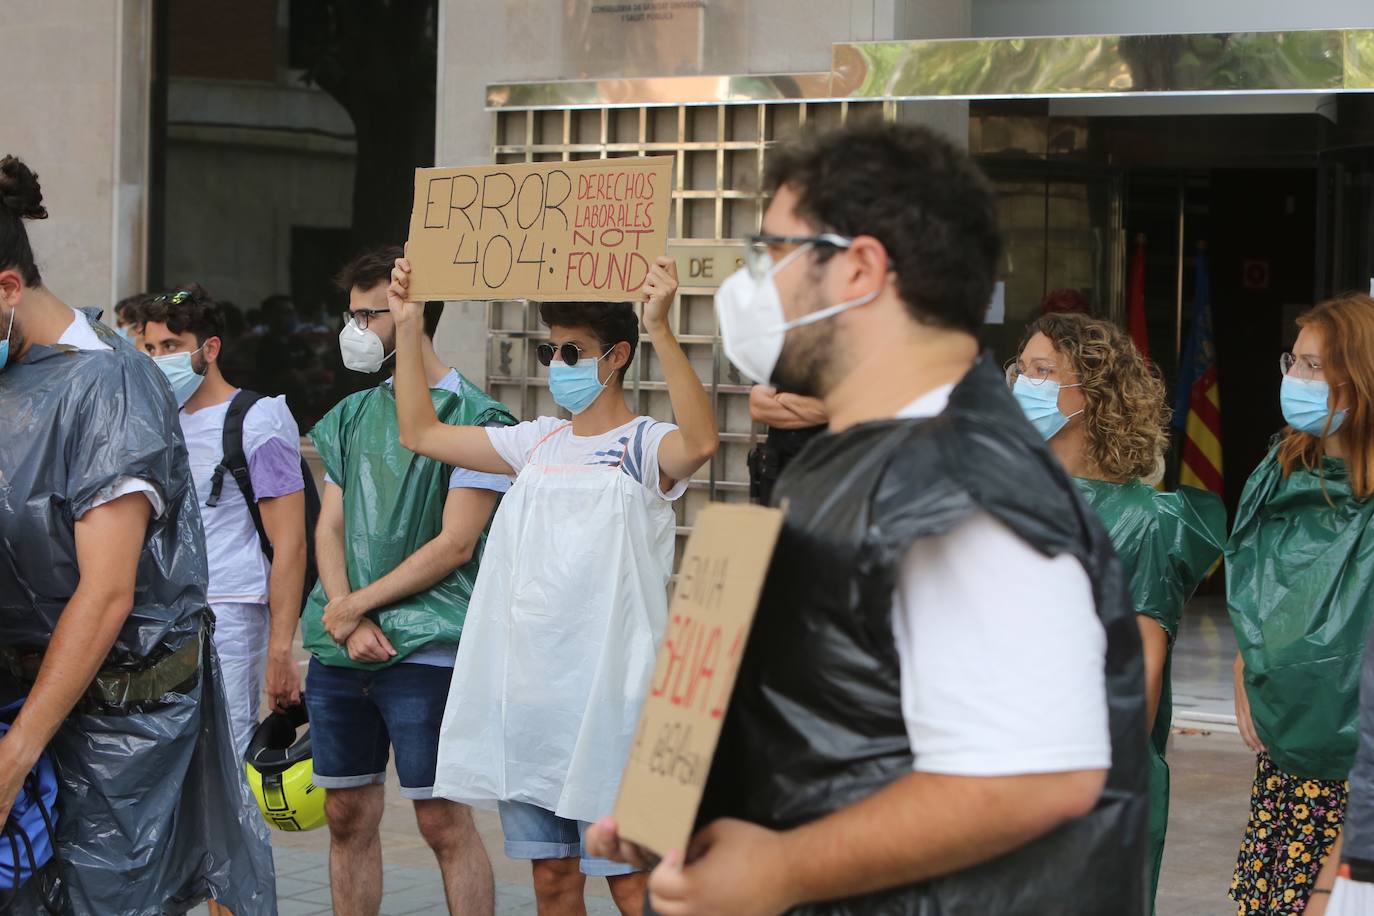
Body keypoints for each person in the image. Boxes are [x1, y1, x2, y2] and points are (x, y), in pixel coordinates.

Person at [586, 123, 1149, 915]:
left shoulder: (963, 482)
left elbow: (1039, 774)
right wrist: (696, 814)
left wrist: (782, 870)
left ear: (858, 267)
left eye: (771, 253)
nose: (752, 287)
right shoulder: (868, 459)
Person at [389, 254, 717, 915]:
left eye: (575, 350)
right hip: (534, 707)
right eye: (552, 350)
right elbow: (419, 432)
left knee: (634, 886)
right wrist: (406, 326)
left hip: (618, 704)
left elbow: (703, 442)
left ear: (616, 355)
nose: (559, 363)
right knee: (553, 882)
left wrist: (661, 327)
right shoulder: (533, 443)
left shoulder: (645, 445)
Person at [0, 157, 274, 913]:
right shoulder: (12, 373)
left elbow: (109, 588)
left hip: (115, 728)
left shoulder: (110, 385)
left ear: (8, 289)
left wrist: (17, 755)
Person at [301, 246, 514, 916]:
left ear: (411, 315)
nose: (354, 327)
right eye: (351, 313)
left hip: (428, 648)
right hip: (342, 647)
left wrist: (357, 607)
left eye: (370, 313)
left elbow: (455, 544)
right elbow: (329, 527)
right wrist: (345, 613)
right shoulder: (353, 415)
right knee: (345, 813)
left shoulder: (478, 420)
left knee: (441, 819)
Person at [1011, 312, 1225, 911]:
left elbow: (1141, 679)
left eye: (1043, 371)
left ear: (1096, 396)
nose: (1023, 385)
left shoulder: (1141, 521)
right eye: (1020, 369)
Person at [1228, 293, 1374, 915]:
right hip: (1285, 767)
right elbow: (1254, 587)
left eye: (1314, 367)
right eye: (1295, 361)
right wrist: (1245, 663)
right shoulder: (1283, 466)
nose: (1294, 379)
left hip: (1356, 776)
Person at [139, 284, 308, 757]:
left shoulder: (258, 420)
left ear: (209, 348)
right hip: (157, 615)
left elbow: (290, 543)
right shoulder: (154, 417)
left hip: (229, 615)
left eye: (170, 346)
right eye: (150, 348)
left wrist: (281, 650)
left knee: (222, 763)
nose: (158, 359)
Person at [746, 384, 826, 504]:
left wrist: (784, 399)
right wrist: (818, 412)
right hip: (777, 480)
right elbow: (758, 409)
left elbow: (838, 407)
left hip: (831, 477)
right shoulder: (775, 364)